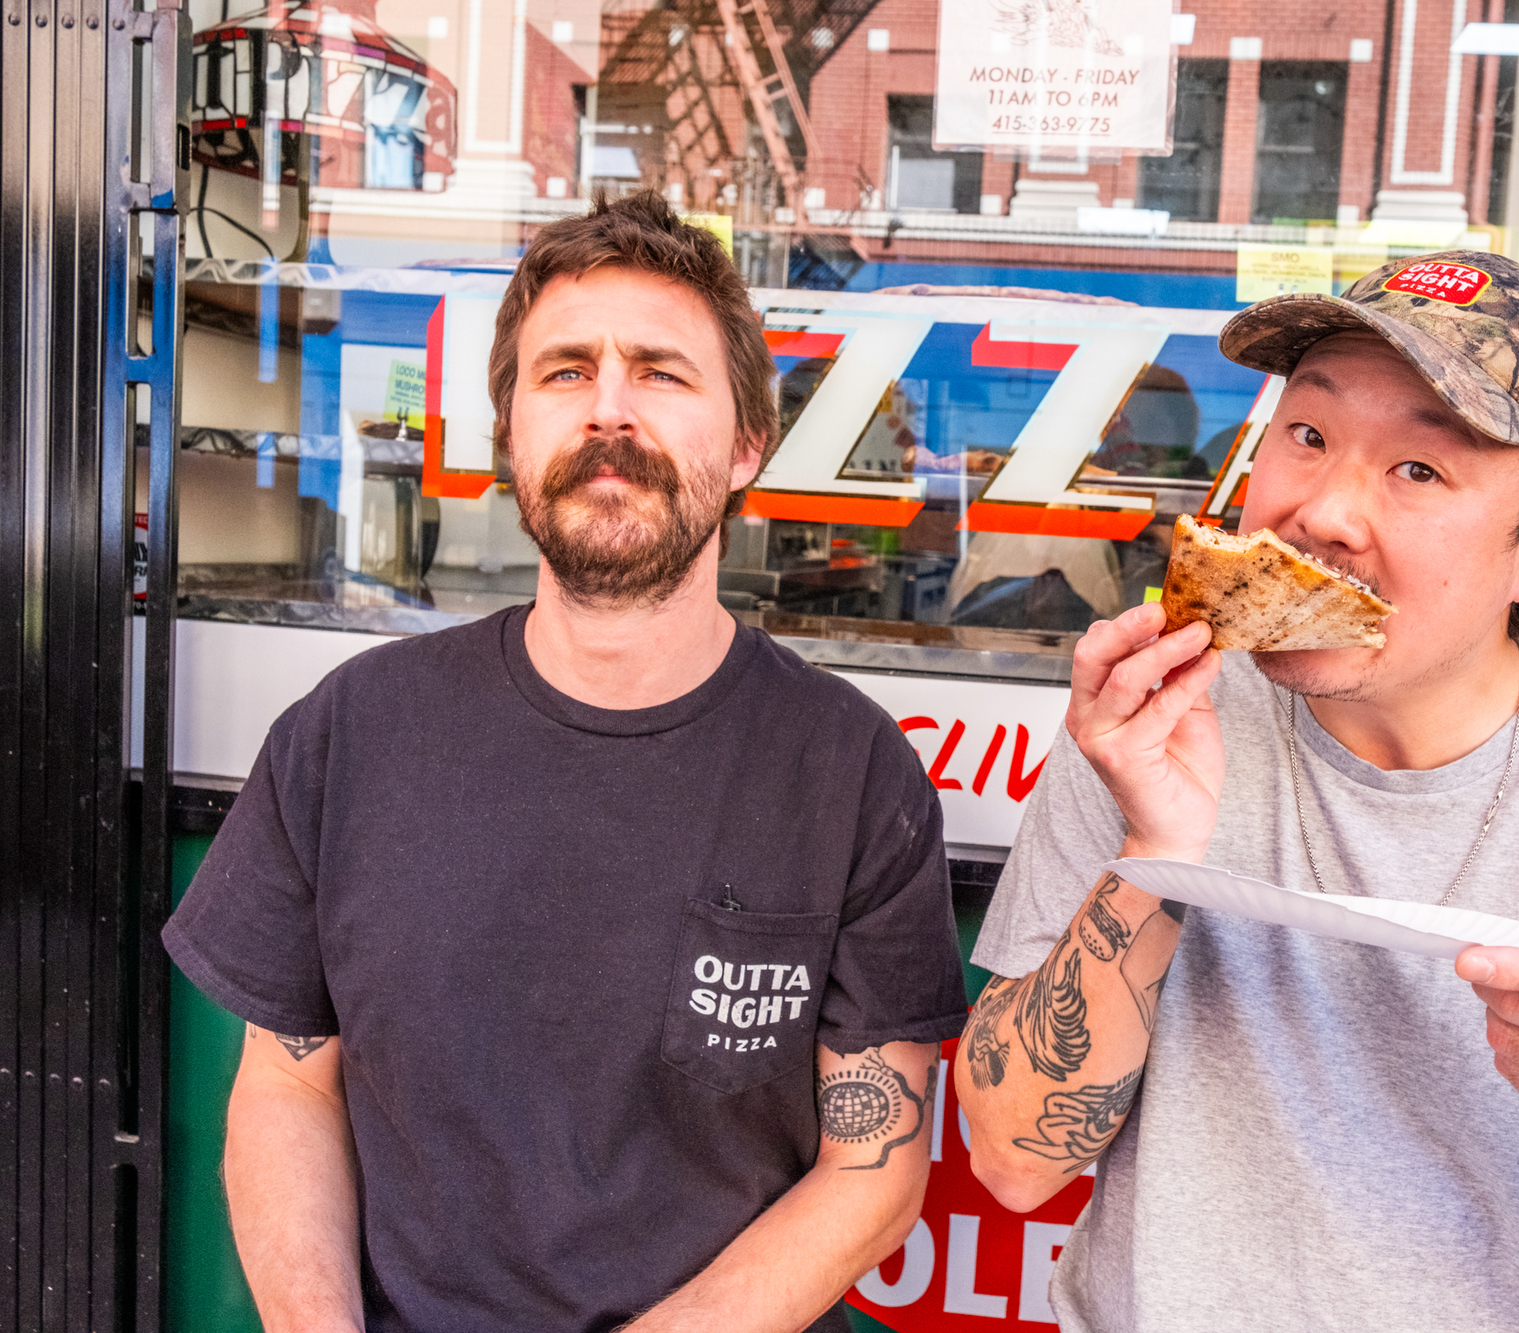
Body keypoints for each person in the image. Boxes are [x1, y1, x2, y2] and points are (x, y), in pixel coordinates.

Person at [955, 252, 1519, 1332]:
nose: (1321, 512)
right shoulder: (1159, 721)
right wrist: (1157, 850)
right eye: (1307, 434)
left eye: (1418, 469)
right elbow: (1012, 1161)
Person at [163, 193, 968, 1333]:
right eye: (563, 372)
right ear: (508, 435)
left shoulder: (847, 773)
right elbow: (290, 1084)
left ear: (746, 445)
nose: (607, 411)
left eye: (660, 373)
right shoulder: (351, 734)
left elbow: (872, 1172)